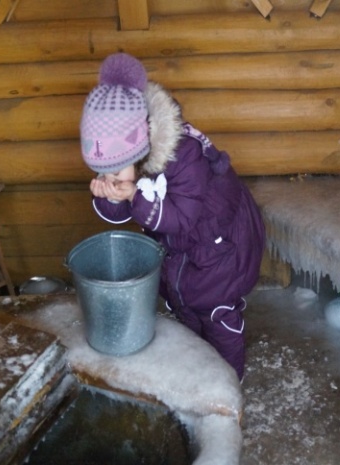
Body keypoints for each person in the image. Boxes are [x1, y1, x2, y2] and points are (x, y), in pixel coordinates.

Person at [79, 52, 266, 381]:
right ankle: (200, 374)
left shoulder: (185, 154)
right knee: (186, 311)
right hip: (181, 250)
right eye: (101, 172)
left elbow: (182, 219)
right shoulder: (127, 162)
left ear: (139, 149)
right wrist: (107, 196)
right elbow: (124, 209)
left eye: (114, 172)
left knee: (217, 318)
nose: (110, 178)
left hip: (220, 247)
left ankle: (227, 388)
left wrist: (134, 195)